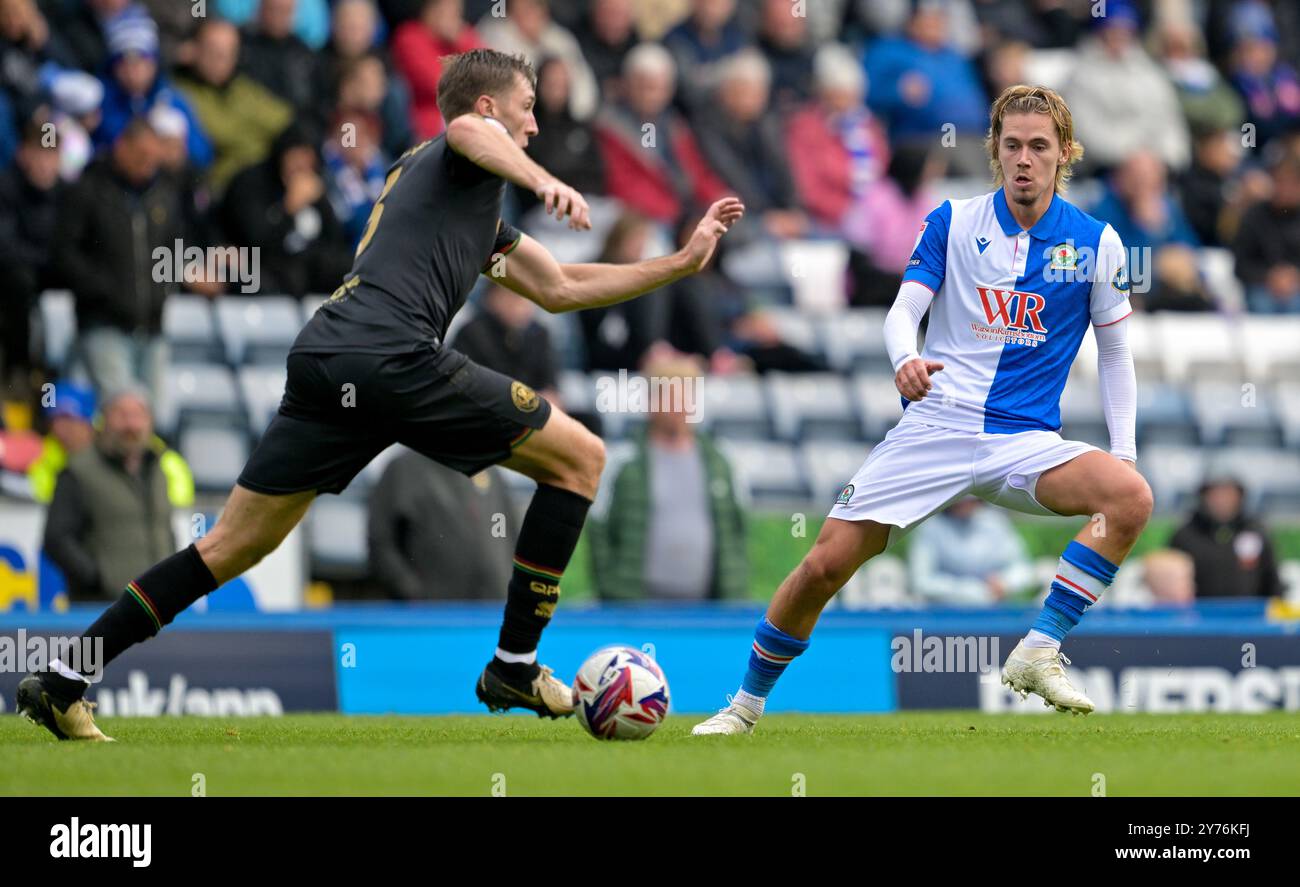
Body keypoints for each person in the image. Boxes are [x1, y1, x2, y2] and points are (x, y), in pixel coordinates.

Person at [16, 48, 744, 741]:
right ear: (491, 108)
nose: (535, 124)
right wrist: (540, 178)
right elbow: (466, 128)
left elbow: (559, 287)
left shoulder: (456, 201)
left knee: (232, 545)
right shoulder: (461, 150)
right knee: (581, 457)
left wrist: (678, 264)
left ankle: (63, 678)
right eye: (525, 110)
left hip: (329, 357)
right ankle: (513, 665)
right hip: (389, 356)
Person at [693, 84, 1152, 735]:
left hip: (1025, 441)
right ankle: (744, 705)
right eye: (1012, 144)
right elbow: (903, 310)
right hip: (937, 425)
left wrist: (1123, 454)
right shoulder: (953, 221)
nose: (1024, 158)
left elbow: (1115, 356)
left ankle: (1039, 648)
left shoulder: (1095, 244)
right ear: (994, 149)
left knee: (1130, 496)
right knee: (824, 563)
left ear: (1065, 154)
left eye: (1039, 147)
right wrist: (903, 359)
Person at [587, 353, 748, 602]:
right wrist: (614, 589)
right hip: (637, 610)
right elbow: (598, 531)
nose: (679, 404)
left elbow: (737, 531)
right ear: (651, 401)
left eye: (686, 394)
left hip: (707, 611)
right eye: (670, 395)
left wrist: (732, 590)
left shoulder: (721, 463)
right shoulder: (623, 462)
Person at [42, 386, 194, 602]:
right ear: (104, 420)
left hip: (157, 607)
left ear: (150, 422)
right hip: (101, 610)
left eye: (138, 415)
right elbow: (56, 539)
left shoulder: (159, 468)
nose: (131, 425)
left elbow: (166, 530)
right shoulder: (78, 471)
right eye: (121, 415)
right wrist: (98, 579)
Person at [1169, 476, 1283, 599]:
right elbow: (1169, 581)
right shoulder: (1186, 535)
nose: (1222, 500)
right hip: (1198, 614)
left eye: (1228, 494)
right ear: (1204, 497)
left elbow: (1272, 580)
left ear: (1240, 497)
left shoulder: (1257, 532)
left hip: (1250, 615)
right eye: (1215, 494)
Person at [907, 497, 1034, 606]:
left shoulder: (995, 522)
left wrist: (1005, 582)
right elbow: (921, 581)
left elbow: (1023, 568)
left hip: (995, 607)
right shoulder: (931, 526)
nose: (965, 504)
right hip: (943, 611)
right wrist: (968, 591)